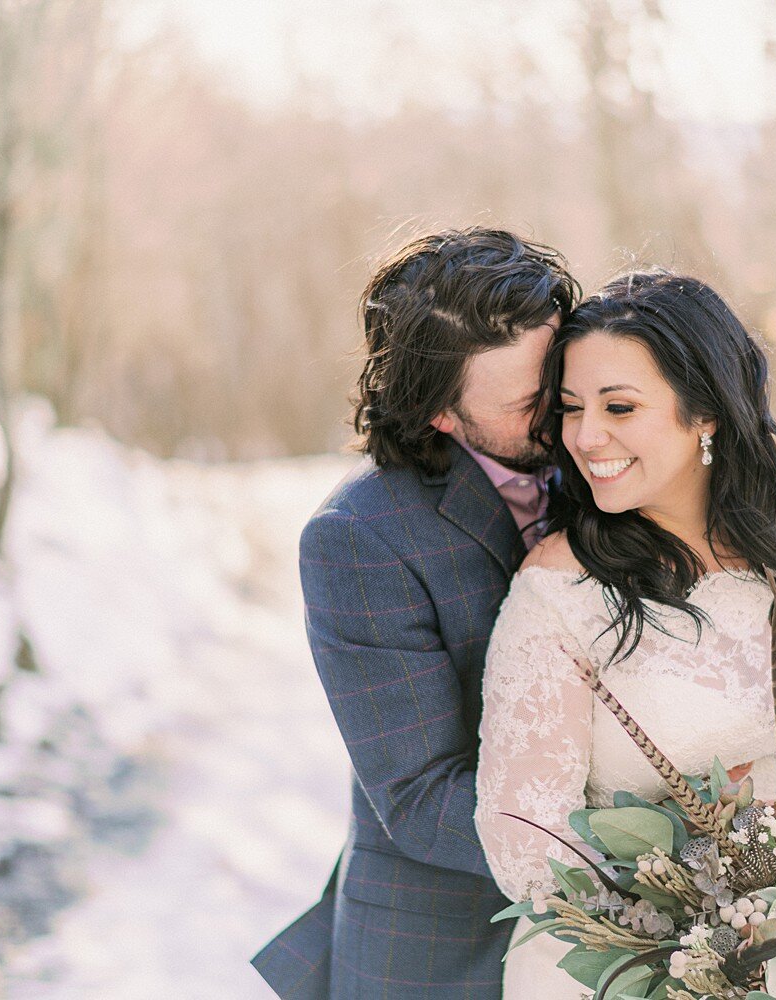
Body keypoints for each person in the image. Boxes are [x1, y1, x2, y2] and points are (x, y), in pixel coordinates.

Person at [474, 270, 776, 998]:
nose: (585, 437)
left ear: (704, 412)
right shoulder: (561, 591)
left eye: (620, 406)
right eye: (572, 408)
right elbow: (526, 834)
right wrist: (699, 955)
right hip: (641, 976)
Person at [252, 228, 578, 1000]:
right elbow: (422, 796)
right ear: (439, 414)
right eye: (532, 402)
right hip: (441, 948)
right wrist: (640, 857)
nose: (567, 413)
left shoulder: (602, 449)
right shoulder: (357, 540)